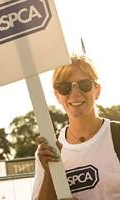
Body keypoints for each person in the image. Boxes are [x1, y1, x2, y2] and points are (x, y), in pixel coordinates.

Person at [31, 55, 120, 200]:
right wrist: (49, 173)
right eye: (65, 87)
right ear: (57, 96)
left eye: (84, 84)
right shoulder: (49, 150)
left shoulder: (116, 135)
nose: (75, 93)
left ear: (97, 90)